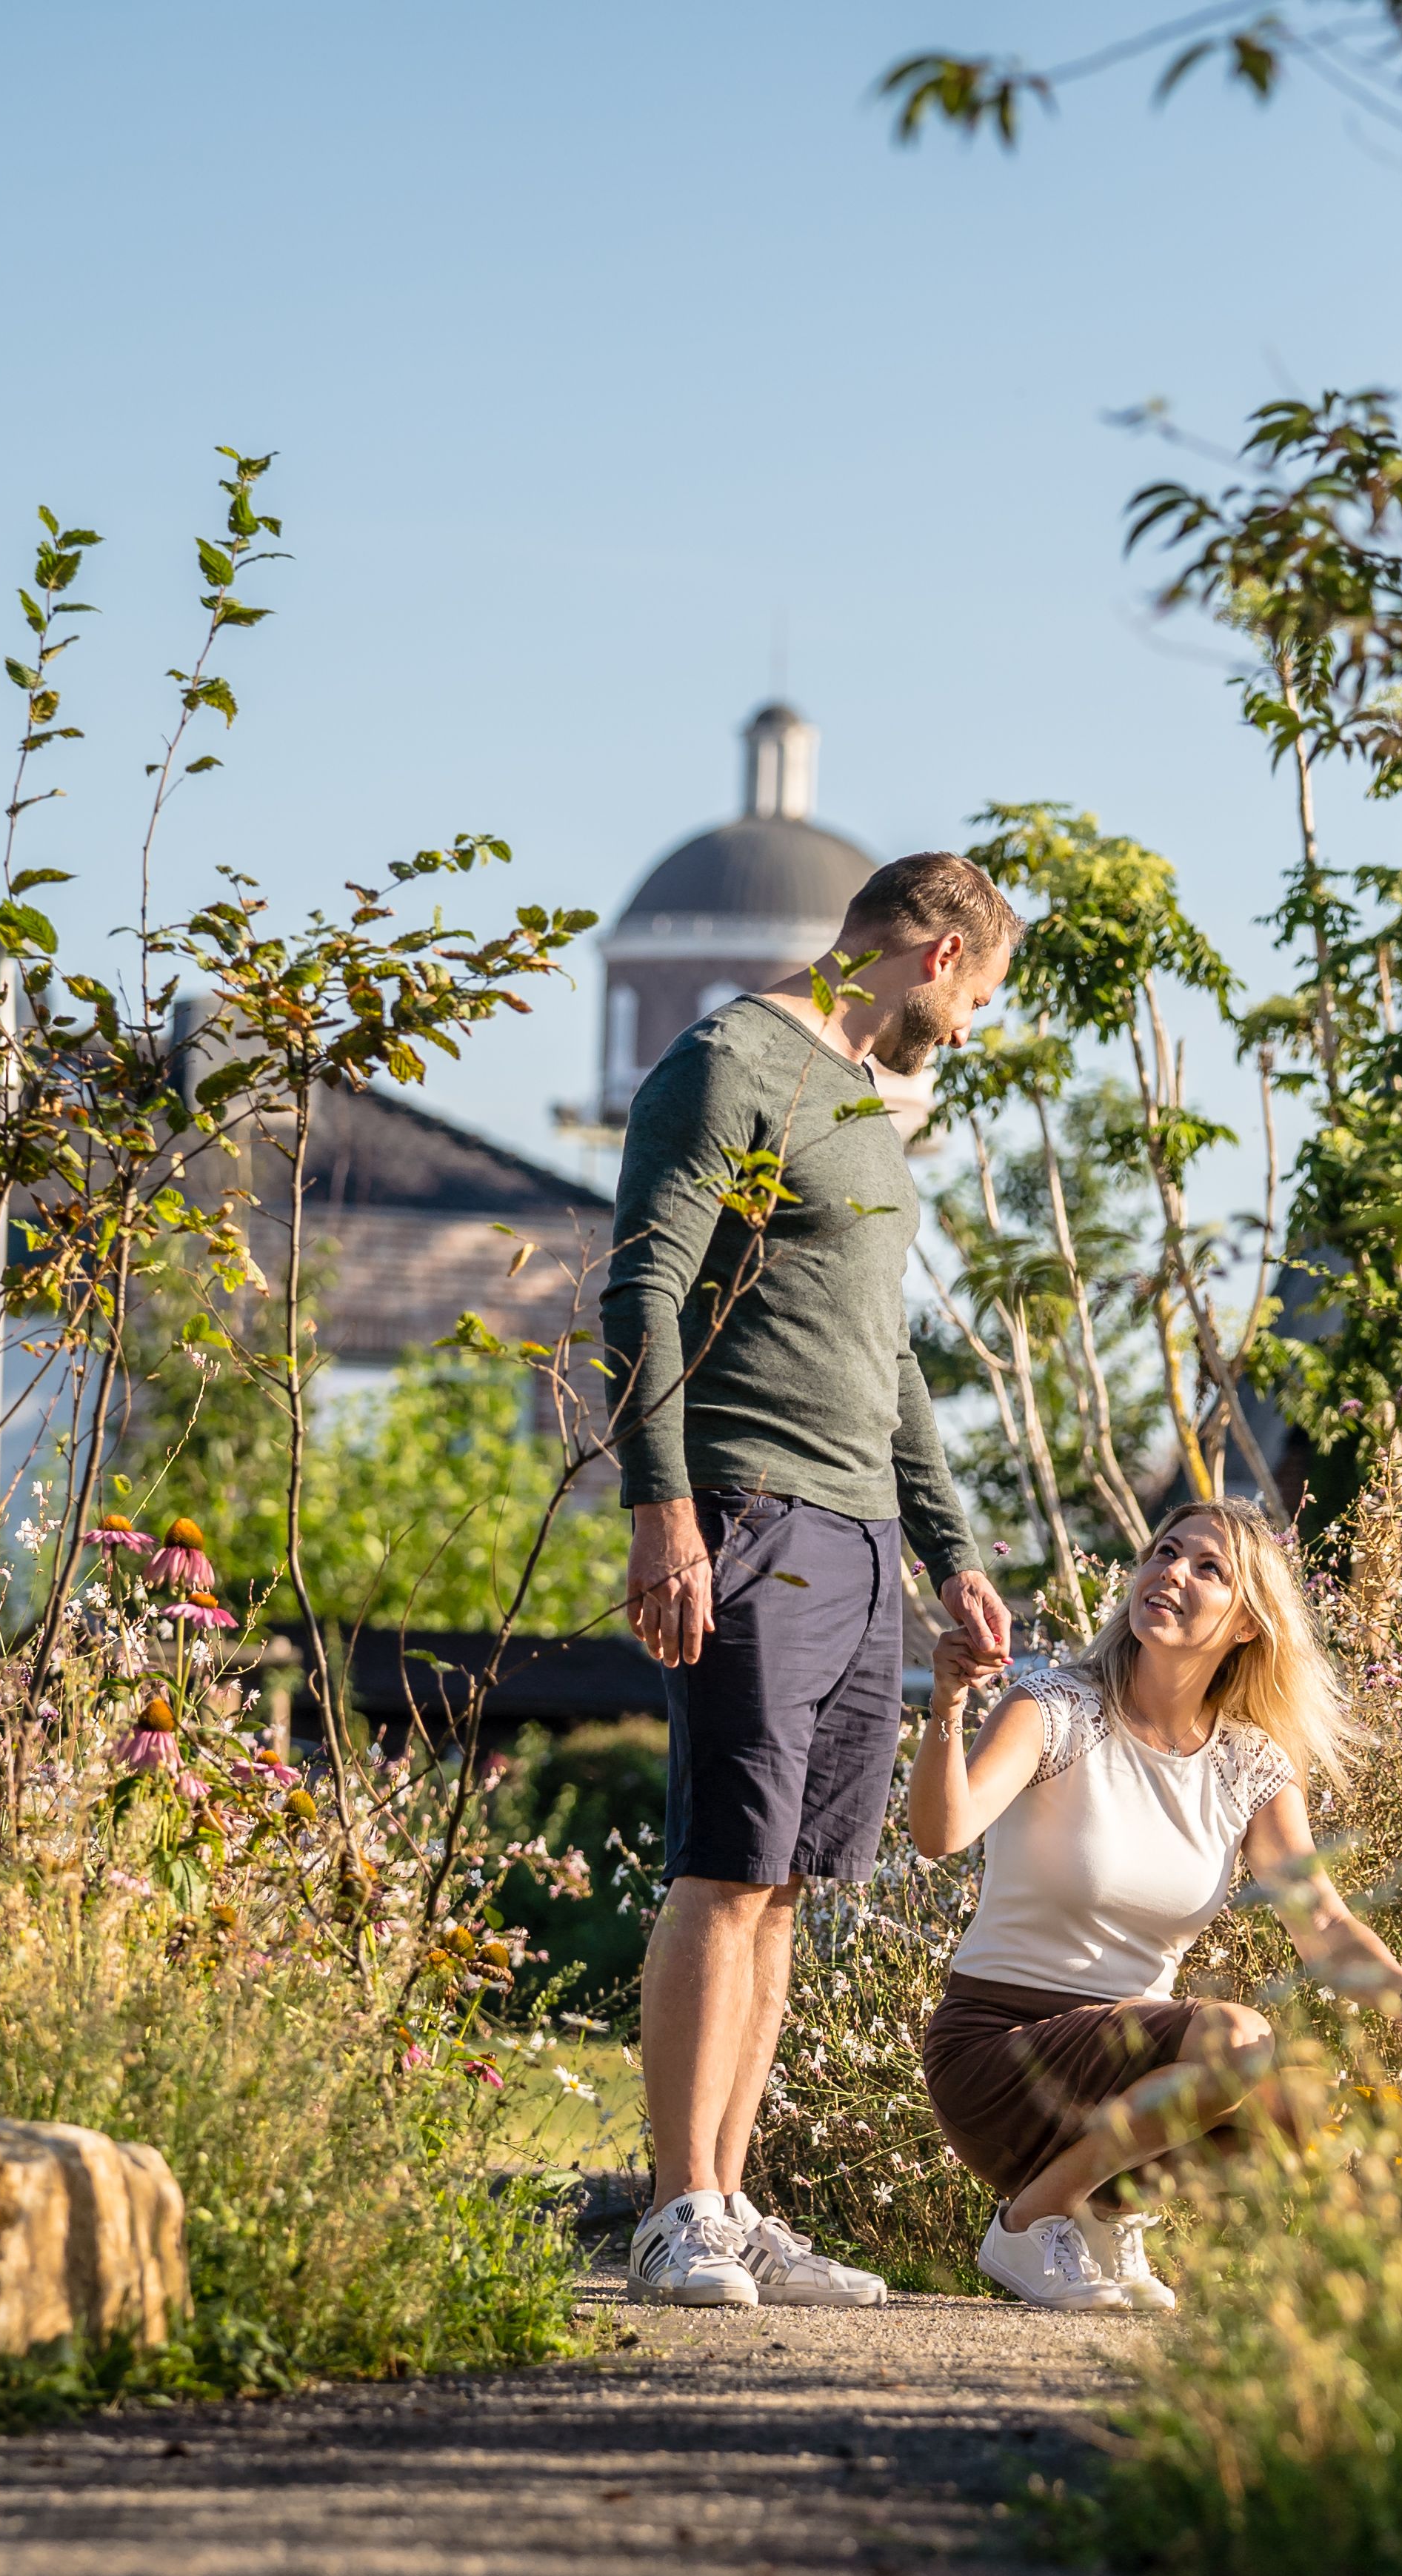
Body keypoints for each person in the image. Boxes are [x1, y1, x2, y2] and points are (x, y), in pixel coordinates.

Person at [607, 851, 1022, 2312]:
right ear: (935, 952)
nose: (967, 1029)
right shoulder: (731, 1060)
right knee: (725, 1863)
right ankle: (674, 2210)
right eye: (978, 995)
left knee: (789, 1885)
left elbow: (889, 1360)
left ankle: (730, 2194)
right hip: (750, 1506)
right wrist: (664, 1511)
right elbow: (642, 1288)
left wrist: (951, 1549)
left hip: (852, 1527)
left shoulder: (855, 1105)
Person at [904, 1497, 1402, 2312]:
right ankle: (1031, 2223)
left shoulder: (1249, 1763)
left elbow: (1324, 1923)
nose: (1171, 1573)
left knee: (1313, 2109)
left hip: (1129, 2072)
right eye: (1164, 1552)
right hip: (999, 2051)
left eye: (1208, 1568)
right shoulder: (1054, 1709)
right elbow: (940, 1831)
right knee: (1238, 2039)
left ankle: (1099, 2214)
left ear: (1245, 1625)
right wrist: (948, 1705)